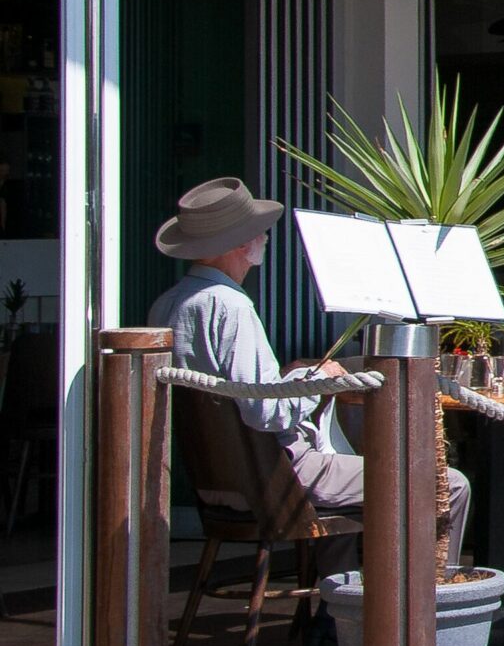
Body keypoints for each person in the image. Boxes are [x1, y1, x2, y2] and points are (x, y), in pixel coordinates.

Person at [146, 177, 471, 573]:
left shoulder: (168, 304)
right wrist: (319, 383)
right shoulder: (230, 306)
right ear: (240, 245)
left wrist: (291, 377)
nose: (264, 238)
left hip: (220, 481)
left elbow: (232, 390)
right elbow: (265, 413)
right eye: (258, 233)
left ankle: (333, 617)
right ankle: (433, 608)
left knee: (353, 471)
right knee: (446, 482)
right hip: (277, 475)